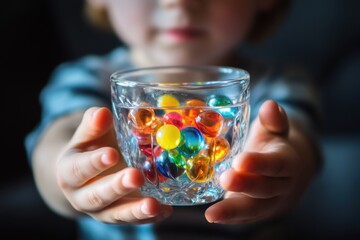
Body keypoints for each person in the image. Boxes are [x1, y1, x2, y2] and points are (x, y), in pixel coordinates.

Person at [25, 0, 322, 239]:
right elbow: (59, 138)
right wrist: (68, 171)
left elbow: (296, 148)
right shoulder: (85, 80)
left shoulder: (280, 85)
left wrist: (279, 167)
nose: (179, 3)